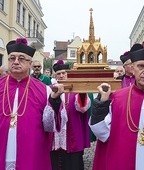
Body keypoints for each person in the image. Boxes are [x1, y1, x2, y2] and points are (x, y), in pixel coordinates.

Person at [89, 39, 144, 170]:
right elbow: (102, 133)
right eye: (141, 66)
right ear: (133, 69)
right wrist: (101, 104)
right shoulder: (118, 98)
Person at [0, 37, 52, 170]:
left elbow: (50, 125)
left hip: (31, 149)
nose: (16, 62)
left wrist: (56, 102)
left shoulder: (44, 89)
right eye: (12, 58)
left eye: (21, 58)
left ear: (30, 63)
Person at [49, 60, 91, 170]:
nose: (62, 76)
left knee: (73, 164)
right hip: (55, 134)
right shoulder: (49, 89)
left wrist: (82, 93)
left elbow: (83, 108)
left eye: (64, 73)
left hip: (72, 134)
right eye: (59, 74)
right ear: (55, 75)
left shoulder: (76, 88)